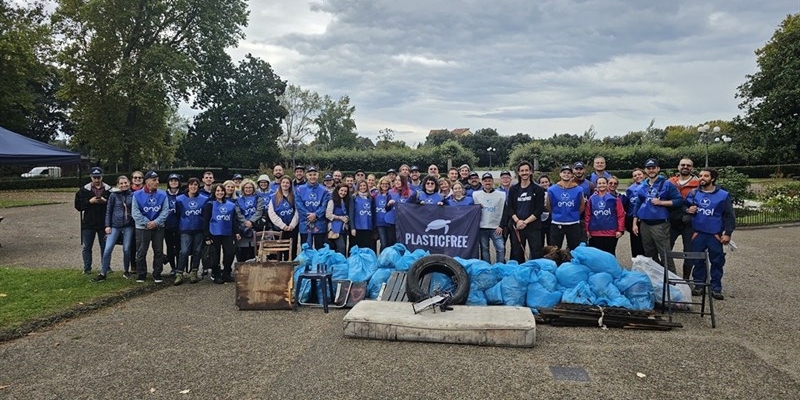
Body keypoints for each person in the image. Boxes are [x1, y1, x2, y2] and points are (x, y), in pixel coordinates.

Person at [685, 168, 736, 300]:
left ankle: (716, 288)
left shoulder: (723, 195)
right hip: (698, 233)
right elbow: (684, 207)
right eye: (700, 175)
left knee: (717, 262)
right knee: (698, 261)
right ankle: (699, 285)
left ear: (712, 178)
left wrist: (728, 233)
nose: (702, 178)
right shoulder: (694, 193)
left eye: (706, 176)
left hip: (715, 234)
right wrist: (688, 209)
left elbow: (729, 216)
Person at [632, 158, 683, 272]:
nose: (651, 170)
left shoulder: (666, 184)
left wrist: (662, 202)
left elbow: (678, 201)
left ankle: (671, 281)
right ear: (645, 170)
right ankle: (657, 277)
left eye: (653, 168)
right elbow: (638, 204)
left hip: (659, 224)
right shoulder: (642, 186)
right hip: (645, 224)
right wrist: (635, 223)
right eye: (648, 168)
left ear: (658, 169)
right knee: (649, 253)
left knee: (665, 253)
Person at [503, 160, 546, 262]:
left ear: (531, 172)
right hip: (517, 227)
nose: (524, 173)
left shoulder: (538, 190)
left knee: (536, 253)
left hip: (533, 227)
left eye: (527, 170)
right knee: (517, 254)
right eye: (522, 171)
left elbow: (539, 210)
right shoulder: (513, 189)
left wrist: (525, 222)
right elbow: (510, 208)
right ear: (518, 173)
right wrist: (517, 221)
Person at [93, 175, 133, 282]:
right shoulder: (113, 196)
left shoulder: (132, 195)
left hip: (128, 225)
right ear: (118, 185)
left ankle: (126, 270)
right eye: (121, 183)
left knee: (126, 249)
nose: (124, 185)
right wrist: (107, 225)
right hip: (115, 225)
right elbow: (108, 211)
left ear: (129, 183)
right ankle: (103, 272)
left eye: (125, 183)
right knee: (108, 249)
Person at [131, 171, 169, 283]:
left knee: (158, 251)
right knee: (141, 251)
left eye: (157, 180)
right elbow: (135, 212)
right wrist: (147, 223)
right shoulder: (137, 195)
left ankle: (157, 273)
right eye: (154, 180)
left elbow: (165, 211)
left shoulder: (163, 195)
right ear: (147, 181)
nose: (157, 182)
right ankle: (141, 273)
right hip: (142, 228)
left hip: (158, 227)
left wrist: (156, 222)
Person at [75, 166, 111, 275]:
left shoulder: (109, 190)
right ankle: (87, 268)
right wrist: (89, 202)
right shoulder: (83, 190)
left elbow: (114, 205)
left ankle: (106, 267)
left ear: (102, 177)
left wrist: (105, 201)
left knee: (105, 247)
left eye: (98, 177)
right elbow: (78, 206)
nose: (96, 180)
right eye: (94, 177)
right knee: (87, 247)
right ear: (91, 177)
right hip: (88, 223)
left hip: (103, 223)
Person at [669, 158, 700, 280]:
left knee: (689, 252)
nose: (685, 167)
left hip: (690, 222)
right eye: (683, 165)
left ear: (692, 168)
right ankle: (668, 277)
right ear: (678, 167)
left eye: (688, 165)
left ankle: (686, 279)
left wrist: (695, 207)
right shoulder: (670, 182)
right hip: (672, 221)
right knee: (666, 249)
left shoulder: (698, 183)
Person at [203, 184, 239, 284]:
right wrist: (206, 236)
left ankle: (226, 273)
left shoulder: (230, 205)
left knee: (230, 252)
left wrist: (236, 232)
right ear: (214, 192)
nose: (220, 193)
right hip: (214, 232)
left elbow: (233, 220)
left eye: (222, 191)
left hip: (227, 232)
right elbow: (206, 221)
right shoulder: (209, 204)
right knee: (215, 255)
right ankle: (216, 275)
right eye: (218, 191)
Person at [176, 177, 208, 285]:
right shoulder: (179, 199)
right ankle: (179, 273)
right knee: (184, 251)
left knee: (197, 251)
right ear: (188, 186)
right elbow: (177, 214)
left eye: (195, 185)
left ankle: (194, 272)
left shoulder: (204, 199)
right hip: (185, 229)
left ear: (198, 187)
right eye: (191, 184)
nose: (193, 187)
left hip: (199, 229)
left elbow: (205, 214)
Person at [546, 165, 586, 251]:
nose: (566, 174)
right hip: (557, 222)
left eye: (568, 173)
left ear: (572, 175)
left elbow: (582, 205)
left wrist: (574, 214)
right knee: (554, 249)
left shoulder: (579, 189)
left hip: (573, 223)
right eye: (564, 172)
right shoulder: (551, 189)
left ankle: (574, 264)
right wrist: (556, 214)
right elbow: (549, 205)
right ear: (560, 174)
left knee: (575, 249)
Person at [584, 176, 625, 255]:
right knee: (596, 255)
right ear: (596, 185)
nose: (601, 185)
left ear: (607, 184)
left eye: (603, 183)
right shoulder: (591, 199)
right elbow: (587, 215)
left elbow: (620, 215)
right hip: (595, 232)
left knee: (610, 254)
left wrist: (620, 230)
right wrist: (587, 229)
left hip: (610, 232)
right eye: (599, 183)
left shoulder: (615, 198)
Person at [473, 173, 506, 263]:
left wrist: (502, 225)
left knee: (501, 248)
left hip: (496, 227)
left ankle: (500, 266)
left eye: (489, 180)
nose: (487, 182)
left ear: (493, 181)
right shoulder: (475, 195)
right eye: (485, 181)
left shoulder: (501, 195)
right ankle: (487, 268)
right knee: (484, 249)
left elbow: (505, 211)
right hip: (482, 227)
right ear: (482, 182)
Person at [295, 166, 330, 249]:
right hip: (305, 223)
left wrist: (316, 214)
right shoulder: (299, 189)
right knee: (306, 248)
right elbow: (299, 205)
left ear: (318, 176)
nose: (312, 177)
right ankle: (307, 262)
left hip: (319, 223)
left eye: (314, 175)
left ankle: (320, 262)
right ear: (307, 176)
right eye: (310, 175)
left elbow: (324, 205)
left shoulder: (324, 190)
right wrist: (308, 215)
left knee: (320, 248)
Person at [267, 176, 299, 260]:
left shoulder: (294, 197)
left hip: (292, 229)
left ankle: (290, 270)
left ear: (290, 185)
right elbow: (271, 213)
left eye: (287, 183)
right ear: (280, 184)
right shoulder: (273, 197)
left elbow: (297, 212)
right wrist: (282, 225)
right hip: (279, 229)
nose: (285, 184)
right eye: (283, 182)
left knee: (291, 252)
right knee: (278, 252)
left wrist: (292, 225)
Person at [234, 179, 264, 262]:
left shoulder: (258, 198)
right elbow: (238, 213)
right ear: (243, 189)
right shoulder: (238, 200)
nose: (248, 189)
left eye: (250, 187)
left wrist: (251, 221)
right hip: (243, 228)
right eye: (246, 187)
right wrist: (245, 222)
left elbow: (259, 211)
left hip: (255, 226)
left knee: (254, 253)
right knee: (242, 254)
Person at [385, 174, 417, 247]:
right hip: (392, 221)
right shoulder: (390, 192)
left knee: (403, 243)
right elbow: (386, 209)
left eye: (399, 180)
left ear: (404, 181)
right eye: (396, 180)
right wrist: (389, 204)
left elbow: (414, 208)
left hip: (405, 222)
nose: (397, 182)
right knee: (391, 242)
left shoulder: (411, 193)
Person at [622, 168, 646, 257]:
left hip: (644, 218)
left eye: (639, 174)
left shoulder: (648, 186)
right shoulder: (630, 189)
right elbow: (628, 204)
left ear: (643, 175)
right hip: (633, 217)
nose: (637, 176)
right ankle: (636, 260)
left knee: (646, 242)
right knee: (635, 242)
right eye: (635, 175)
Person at [163, 173, 182, 276]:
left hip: (179, 225)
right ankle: (173, 267)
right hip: (167, 225)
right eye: (171, 181)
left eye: (175, 180)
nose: (173, 182)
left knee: (179, 247)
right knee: (170, 247)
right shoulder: (164, 194)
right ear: (168, 183)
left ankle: (179, 267)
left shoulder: (182, 194)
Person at [349, 180, 375, 252]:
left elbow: (373, 212)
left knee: (366, 247)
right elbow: (351, 213)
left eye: (364, 185)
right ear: (358, 187)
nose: (362, 187)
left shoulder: (370, 198)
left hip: (368, 227)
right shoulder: (354, 197)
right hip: (357, 227)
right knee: (356, 247)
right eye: (361, 186)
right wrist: (352, 227)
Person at [326, 184, 350, 255]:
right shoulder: (332, 201)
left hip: (343, 228)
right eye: (341, 190)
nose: (343, 193)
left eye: (345, 191)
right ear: (337, 190)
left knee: (343, 247)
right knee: (340, 247)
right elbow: (328, 214)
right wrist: (340, 217)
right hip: (334, 228)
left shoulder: (345, 201)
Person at [373, 176, 392, 251]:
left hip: (389, 222)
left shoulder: (391, 194)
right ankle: (381, 260)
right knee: (383, 243)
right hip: (379, 223)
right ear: (380, 184)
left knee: (389, 243)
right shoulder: (375, 195)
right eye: (383, 183)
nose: (385, 185)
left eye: (387, 183)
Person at [537, 174, 552, 248]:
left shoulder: (553, 192)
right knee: (539, 243)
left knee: (551, 242)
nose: (545, 184)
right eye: (542, 182)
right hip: (540, 220)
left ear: (549, 182)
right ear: (539, 184)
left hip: (551, 220)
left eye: (546, 182)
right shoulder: (536, 193)